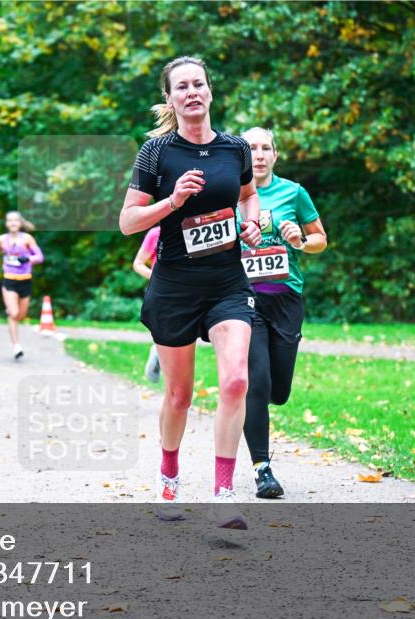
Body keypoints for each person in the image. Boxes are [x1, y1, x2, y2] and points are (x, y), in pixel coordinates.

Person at [118, 55, 261, 525]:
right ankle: (169, 478)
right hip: (175, 286)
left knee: (236, 380)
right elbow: (127, 222)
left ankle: (223, 493)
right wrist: (173, 200)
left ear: (210, 91)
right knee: (179, 396)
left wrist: (253, 222)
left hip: (227, 283)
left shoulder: (236, 149)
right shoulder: (156, 152)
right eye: (181, 87)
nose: (192, 92)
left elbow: (248, 195)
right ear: (169, 98)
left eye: (198, 84)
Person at [240, 126, 328, 498]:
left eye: (266, 148)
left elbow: (320, 239)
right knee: (256, 382)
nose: (259, 155)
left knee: (278, 391)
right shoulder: (228, 193)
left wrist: (300, 241)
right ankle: (262, 469)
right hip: (243, 300)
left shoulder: (294, 192)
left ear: (275, 155)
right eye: (251, 148)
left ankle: (261, 406)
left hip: (286, 298)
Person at [0, 211, 44, 361]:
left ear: (20, 223)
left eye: (16, 220)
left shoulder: (27, 239)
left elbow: (40, 257)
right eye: (10, 220)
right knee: (13, 313)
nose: (13, 223)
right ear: (6, 223)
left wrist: (28, 259)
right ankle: (16, 347)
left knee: (20, 315)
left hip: (25, 280)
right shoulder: (2, 239)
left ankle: (11, 312)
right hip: (9, 280)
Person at [132, 226, 163, 383]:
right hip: (162, 291)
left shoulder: (194, 226)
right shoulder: (155, 233)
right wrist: (157, 278)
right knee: (170, 332)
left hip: (192, 289)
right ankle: (159, 351)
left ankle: (159, 351)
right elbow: (138, 263)